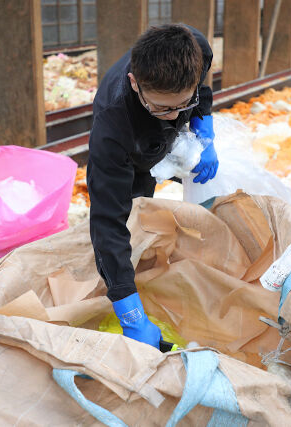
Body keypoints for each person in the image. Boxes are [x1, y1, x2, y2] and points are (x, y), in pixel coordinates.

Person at [87, 24, 219, 349]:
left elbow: (201, 91)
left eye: (181, 105)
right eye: (161, 107)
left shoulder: (197, 49)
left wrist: (203, 124)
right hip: (131, 135)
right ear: (135, 83)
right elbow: (108, 223)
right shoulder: (112, 129)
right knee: (131, 210)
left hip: (157, 108)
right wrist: (130, 316)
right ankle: (128, 289)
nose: (172, 116)